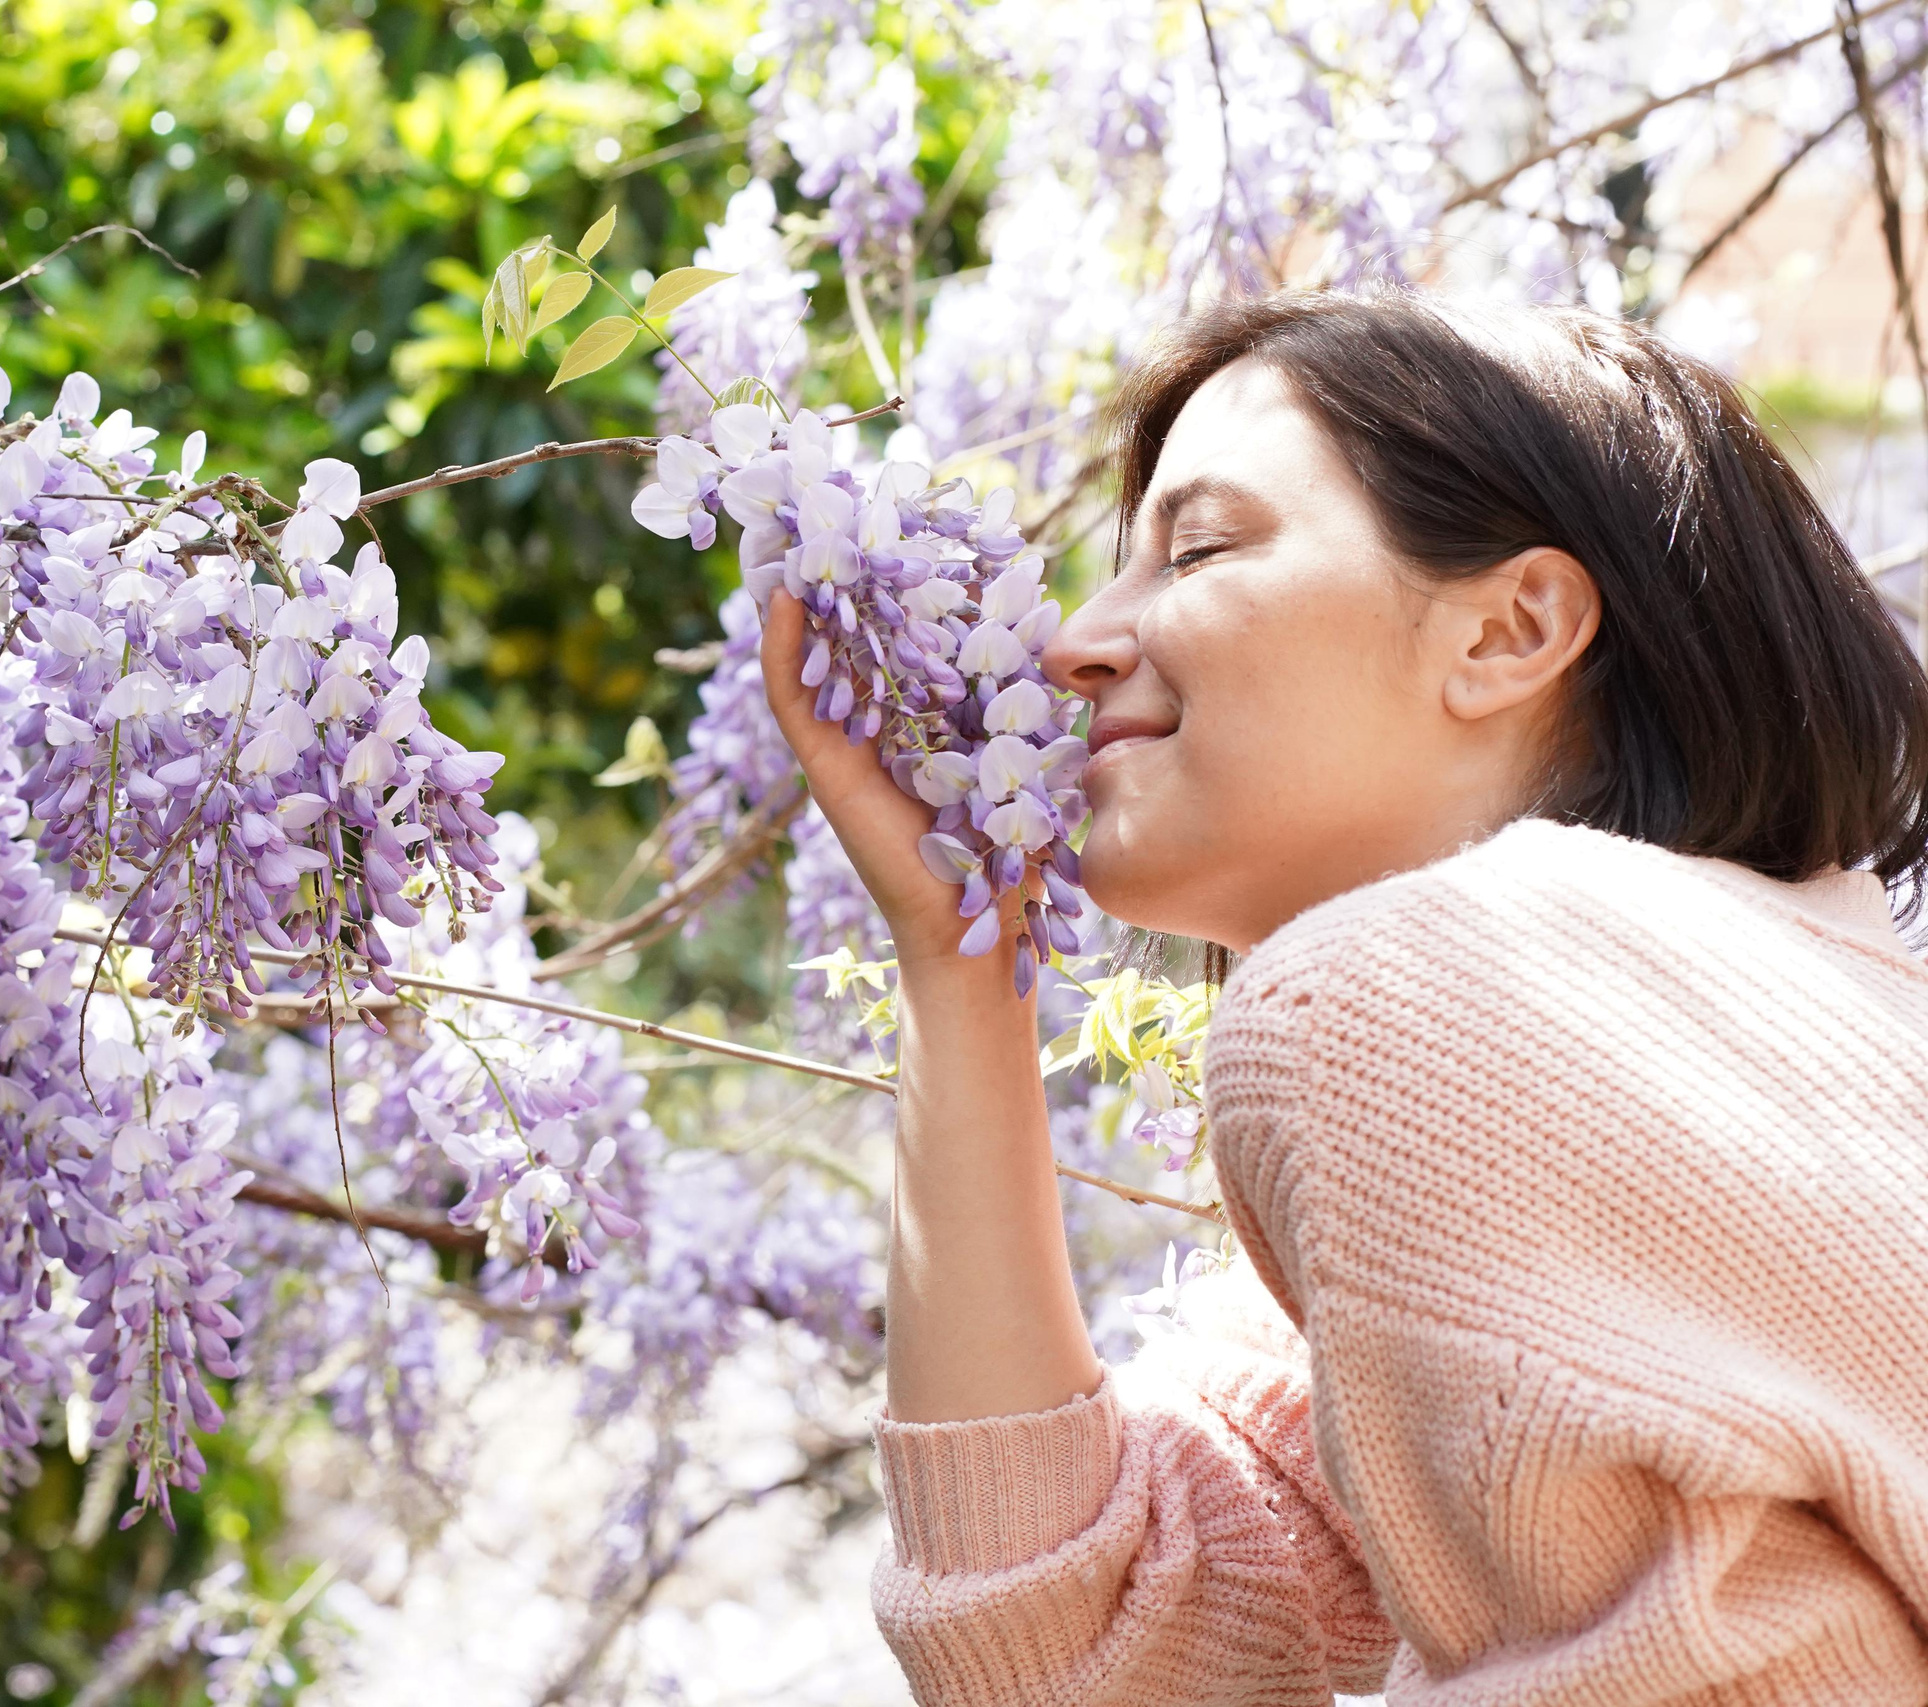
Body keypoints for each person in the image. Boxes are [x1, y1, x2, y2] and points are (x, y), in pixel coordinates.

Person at [764, 291, 1928, 1705]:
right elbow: (1081, 1657)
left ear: (1511, 630)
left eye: (1196, 549)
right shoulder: (1735, 1017)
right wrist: (962, 956)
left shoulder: (1416, 995)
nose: (1075, 640)